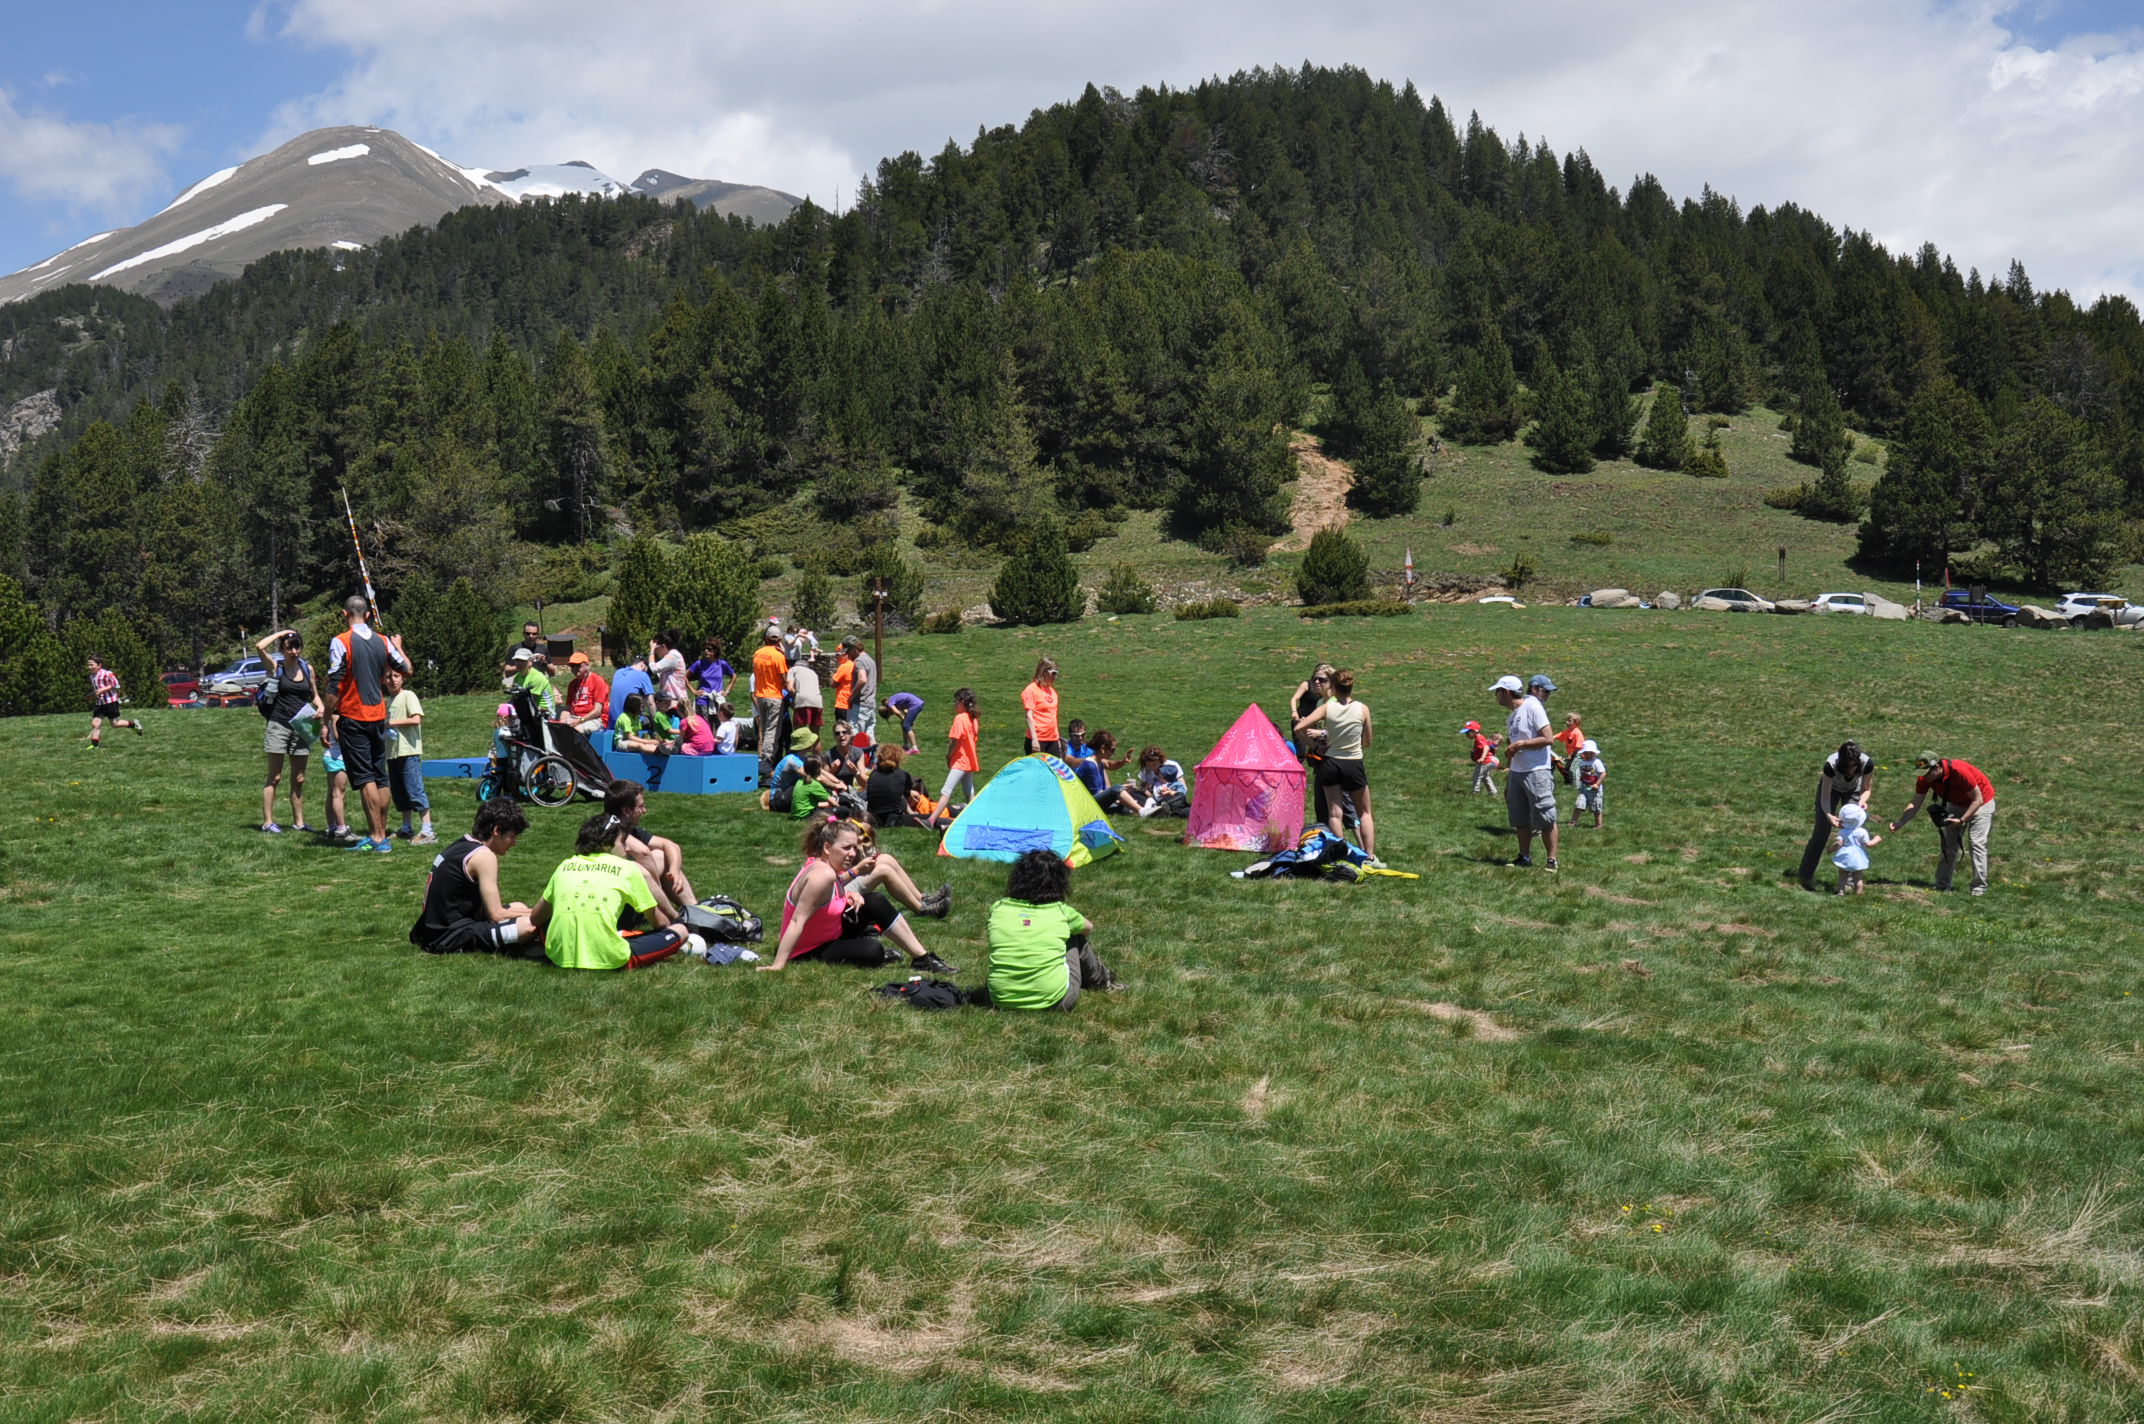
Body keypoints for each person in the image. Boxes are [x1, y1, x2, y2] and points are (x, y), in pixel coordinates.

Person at [758, 817, 952, 972]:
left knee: (875, 900)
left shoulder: (824, 866)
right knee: (873, 951)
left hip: (832, 932)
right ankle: (908, 956)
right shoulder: (822, 874)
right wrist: (779, 964)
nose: (852, 853)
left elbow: (831, 890)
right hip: (809, 949)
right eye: (846, 848)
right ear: (827, 847)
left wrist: (846, 896)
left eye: (854, 847)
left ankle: (922, 958)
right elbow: (796, 921)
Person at [531, 813, 701, 970]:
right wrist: (673, 923)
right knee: (680, 930)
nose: (627, 849)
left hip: (558, 957)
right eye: (623, 842)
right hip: (610, 959)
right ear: (606, 845)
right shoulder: (628, 869)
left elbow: (535, 918)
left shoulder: (564, 866)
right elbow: (660, 923)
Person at [326, 595, 412, 853]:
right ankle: (381, 834)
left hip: (354, 717)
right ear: (366, 615)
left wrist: (325, 718)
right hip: (379, 718)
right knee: (380, 777)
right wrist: (398, 645)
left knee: (365, 779)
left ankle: (377, 837)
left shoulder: (340, 641)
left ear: (344, 614)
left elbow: (334, 685)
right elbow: (406, 669)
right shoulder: (383, 641)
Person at [984, 849, 1115, 1010]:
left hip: (999, 999)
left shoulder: (998, 908)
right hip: (1057, 1001)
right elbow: (1088, 928)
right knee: (1075, 936)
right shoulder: (1062, 912)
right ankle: (1103, 980)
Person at [408, 797, 539, 954]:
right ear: (496, 831)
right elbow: (496, 915)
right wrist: (540, 913)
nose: (514, 842)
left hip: (431, 930)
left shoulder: (463, 844)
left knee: (520, 907)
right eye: (512, 836)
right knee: (529, 926)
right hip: (449, 937)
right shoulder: (484, 856)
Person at [1294, 668, 1376, 859]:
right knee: (1364, 813)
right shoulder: (1362, 708)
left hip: (1331, 763)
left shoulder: (1327, 708)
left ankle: (1341, 854)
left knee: (1334, 814)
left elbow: (1299, 727)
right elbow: (1367, 742)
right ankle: (1370, 856)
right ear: (1351, 686)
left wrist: (1314, 747)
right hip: (1353, 763)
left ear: (1333, 687)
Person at [1890, 751, 1998, 895]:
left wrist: (1961, 820)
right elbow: (1915, 803)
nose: (1925, 777)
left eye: (1928, 773)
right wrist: (1901, 822)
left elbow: (1977, 799)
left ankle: (1979, 887)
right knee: (1948, 845)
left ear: (1937, 767)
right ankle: (1942, 885)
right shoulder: (1925, 778)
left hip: (1981, 803)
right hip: (1956, 803)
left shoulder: (1959, 771)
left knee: (1976, 843)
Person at [255, 629, 325, 833]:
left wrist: (320, 707)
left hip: (301, 726)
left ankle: (299, 823)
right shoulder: (276, 667)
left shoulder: (307, 668)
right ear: (283, 649)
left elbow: (314, 695)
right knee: (274, 777)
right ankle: (268, 822)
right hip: (278, 725)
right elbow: (259, 647)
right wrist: (281, 634)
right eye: (290, 647)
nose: (294, 651)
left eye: (297, 647)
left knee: (299, 778)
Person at [1493, 674, 1558, 872]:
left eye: (1497, 692)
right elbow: (1513, 749)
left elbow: (1548, 739)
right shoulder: (1512, 717)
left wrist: (1522, 744)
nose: (1495, 696)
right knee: (1520, 818)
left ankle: (1551, 860)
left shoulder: (1533, 707)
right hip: (1517, 773)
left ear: (1505, 693)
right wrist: (1509, 779)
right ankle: (1524, 857)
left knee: (1545, 817)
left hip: (1536, 771)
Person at [604, 779, 694, 911]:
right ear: (626, 810)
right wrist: (657, 887)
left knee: (660, 856)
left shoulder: (624, 827)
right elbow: (643, 852)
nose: (644, 810)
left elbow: (669, 845)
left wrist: (674, 871)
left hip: (621, 888)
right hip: (611, 896)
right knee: (652, 859)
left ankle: (694, 908)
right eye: (640, 807)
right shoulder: (610, 830)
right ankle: (676, 915)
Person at [1797, 741, 1876, 890]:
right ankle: (1805, 875)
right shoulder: (1830, 765)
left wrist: (1862, 802)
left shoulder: (1867, 764)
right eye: (1847, 768)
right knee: (1820, 834)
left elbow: (1866, 788)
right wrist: (1828, 815)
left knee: (1854, 835)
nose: (1851, 772)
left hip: (1854, 791)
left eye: (1854, 767)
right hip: (1831, 791)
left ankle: (1850, 882)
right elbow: (1825, 796)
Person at [383, 665, 435, 844]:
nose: (393, 680)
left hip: (408, 751)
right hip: (392, 753)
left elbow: (416, 719)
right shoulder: (389, 700)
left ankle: (427, 830)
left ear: (402, 678)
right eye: (389, 677)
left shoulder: (408, 695)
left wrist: (392, 723)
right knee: (400, 793)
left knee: (414, 790)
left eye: (396, 676)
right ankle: (406, 827)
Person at [931, 687, 981, 829]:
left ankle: (931, 820)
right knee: (969, 793)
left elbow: (955, 741)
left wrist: (949, 755)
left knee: (945, 791)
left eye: (956, 702)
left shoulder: (960, 718)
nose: (954, 705)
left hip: (960, 761)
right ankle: (974, 820)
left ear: (962, 702)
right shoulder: (973, 719)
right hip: (970, 761)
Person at [751, 629, 788, 787]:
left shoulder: (757, 653)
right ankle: (766, 764)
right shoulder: (778, 656)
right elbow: (784, 679)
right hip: (774, 696)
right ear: (779, 639)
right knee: (773, 731)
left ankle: (764, 760)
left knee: (765, 730)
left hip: (760, 695)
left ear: (766, 639)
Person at [1111, 746, 1190, 819]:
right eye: (1149, 765)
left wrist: (1171, 792)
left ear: (1160, 760)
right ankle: (1158, 810)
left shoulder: (1171, 766)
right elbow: (1143, 787)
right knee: (1133, 793)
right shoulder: (1146, 770)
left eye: (1154, 764)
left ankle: (1163, 809)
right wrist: (1144, 790)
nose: (1152, 768)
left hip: (1171, 797)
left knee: (1180, 797)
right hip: (1153, 798)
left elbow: (1183, 789)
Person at [84, 655, 145, 747]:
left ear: (99, 665)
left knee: (115, 724)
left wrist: (103, 690)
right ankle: (94, 745)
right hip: (99, 703)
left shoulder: (107, 673)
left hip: (110, 702)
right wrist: (91, 695)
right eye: (88, 665)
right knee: (95, 724)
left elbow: (116, 684)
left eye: (91, 665)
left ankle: (133, 725)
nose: (89, 667)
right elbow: (97, 689)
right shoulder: (92, 676)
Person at [865, 744, 928, 829]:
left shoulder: (873, 774)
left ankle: (911, 813)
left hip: (874, 819)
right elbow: (905, 795)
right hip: (895, 819)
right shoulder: (903, 774)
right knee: (932, 818)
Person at [1832, 802, 1881, 896]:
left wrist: (1830, 849)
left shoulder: (1842, 831)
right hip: (1858, 857)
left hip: (1845, 856)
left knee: (1842, 876)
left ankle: (1841, 892)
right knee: (1858, 877)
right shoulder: (1862, 832)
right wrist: (1877, 839)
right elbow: (1868, 844)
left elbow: (1839, 843)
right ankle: (1858, 893)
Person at [1020, 657, 1062, 755]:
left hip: (1052, 739)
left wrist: (1057, 739)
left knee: (1053, 769)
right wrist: (1034, 739)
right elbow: (1029, 716)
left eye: (1057, 673)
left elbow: (1053, 716)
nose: (1055, 677)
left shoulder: (1052, 692)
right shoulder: (1031, 690)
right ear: (1043, 671)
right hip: (1038, 739)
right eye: (1053, 673)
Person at [562, 652, 610, 734]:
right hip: (576, 718)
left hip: (595, 719)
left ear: (587, 665)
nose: (574, 669)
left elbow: (597, 711)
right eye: (572, 666)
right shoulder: (572, 684)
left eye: (578, 665)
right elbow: (567, 708)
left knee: (575, 730)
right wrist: (562, 721)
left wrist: (579, 721)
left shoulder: (597, 681)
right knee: (557, 728)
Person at [501, 647, 557, 717]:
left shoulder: (536, 677)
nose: (519, 663)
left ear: (530, 662)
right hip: (531, 710)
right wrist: (506, 706)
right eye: (517, 660)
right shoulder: (517, 677)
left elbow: (530, 700)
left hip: (545, 714)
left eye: (522, 661)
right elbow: (515, 698)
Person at [648, 629, 690, 713]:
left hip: (677, 703)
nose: (655, 651)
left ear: (663, 646)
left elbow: (653, 668)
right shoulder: (670, 657)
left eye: (656, 648)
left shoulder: (673, 655)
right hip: (671, 702)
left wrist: (651, 650)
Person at [608, 653, 654, 726]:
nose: (646, 673)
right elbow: (650, 703)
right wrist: (656, 724)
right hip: (630, 723)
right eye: (646, 670)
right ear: (642, 665)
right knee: (651, 721)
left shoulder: (618, 672)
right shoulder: (643, 675)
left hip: (613, 723)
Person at [847, 639, 878, 744]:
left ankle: (857, 759)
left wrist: (851, 696)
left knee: (855, 735)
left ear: (855, 648)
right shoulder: (870, 660)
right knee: (870, 735)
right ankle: (873, 758)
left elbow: (862, 679)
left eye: (848, 651)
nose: (847, 655)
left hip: (860, 705)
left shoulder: (859, 661)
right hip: (871, 704)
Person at [687, 637, 732, 712]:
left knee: (719, 723)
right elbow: (685, 676)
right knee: (704, 723)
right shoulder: (699, 663)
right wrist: (693, 691)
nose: (706, 651)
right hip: (702, 701)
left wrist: (727, 691)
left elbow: (733, 676)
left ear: (715, 650)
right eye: (705, 648)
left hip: (718, 700)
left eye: (709, 649)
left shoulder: (722, 664)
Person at [1573, 738, 1606, 830]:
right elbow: (1580, 772)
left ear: (1594, 753)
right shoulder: (1581, 762)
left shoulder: (1596, 762)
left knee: (1596, 807)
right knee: (1579, 803)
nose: (1588, 755)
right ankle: (1573, 821)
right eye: (1586, 753)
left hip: (1595, 789)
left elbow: (1603, 773)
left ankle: (1598, 824)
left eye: (1591, 753)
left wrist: (1597, 784)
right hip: (1584, 788)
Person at [787, 652, 824, 734]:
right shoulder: (813, 673)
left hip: (803, 701)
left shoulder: (793, 670)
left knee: (799, 733)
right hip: (817, 702)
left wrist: (796, 697)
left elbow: (789, 688)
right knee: (815, 735)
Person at [1462, 721, 1501, 796]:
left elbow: (1486, 747)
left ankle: (1475, 792)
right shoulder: (1479, 738)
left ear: (1474, 731)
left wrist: (1482, 758)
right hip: (1490, 760)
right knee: (1485, 776)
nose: (1466, 735)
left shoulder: (1479, 738)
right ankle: (1493, 792)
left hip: (1486, 761)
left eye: (1467, 733)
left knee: (1477, 776)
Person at [1551, 710, 1584, 786]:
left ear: (1576, 723)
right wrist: (1553, 737)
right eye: (1567, 720)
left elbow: (1578, 747)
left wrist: (1572, 755)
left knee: (1573, 769)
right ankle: (1569, 782)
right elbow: (1561, 734)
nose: (1567, 722)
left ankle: (1577, 784)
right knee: (1567, 769)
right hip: (1572, 755)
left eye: (1570, 721)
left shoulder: (1577, 733)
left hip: (1579, 755)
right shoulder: (1568, 731)